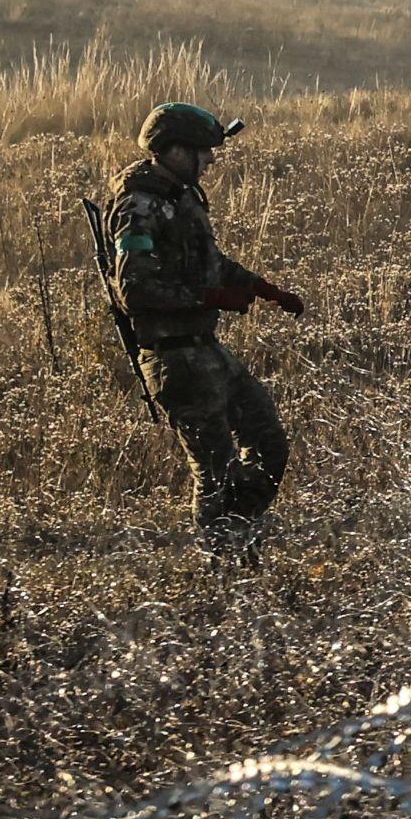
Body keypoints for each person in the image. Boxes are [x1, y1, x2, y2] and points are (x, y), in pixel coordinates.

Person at [102, 101, 308, 555]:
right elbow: (134, 290)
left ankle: (238, 537)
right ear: (173, 150)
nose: (211, 160)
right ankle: (222, 563)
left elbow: (209, 265)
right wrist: (208, 298)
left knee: (269, 444)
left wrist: (262, 287)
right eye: (202, 151)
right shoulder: (137, 205)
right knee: (214, 473)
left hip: (207, 350)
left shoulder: (181, 197)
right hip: (175, 358)